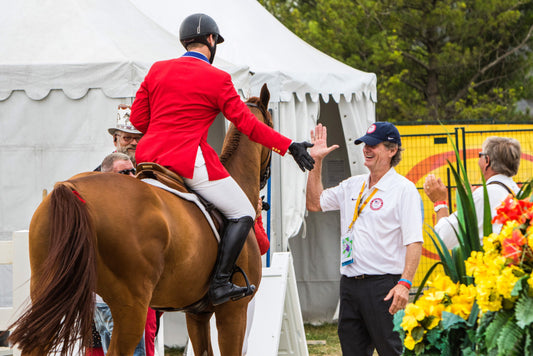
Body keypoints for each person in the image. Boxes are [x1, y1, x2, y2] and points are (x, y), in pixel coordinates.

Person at [130, 13, 314, 306]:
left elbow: (139, 118)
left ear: (184, 41)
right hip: (186, 158)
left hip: (148, 159)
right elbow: (248, 126)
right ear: (212, 41)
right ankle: (219, 283)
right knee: (242, 210)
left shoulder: (157, 69)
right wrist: (289, 145)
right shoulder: (218, 78)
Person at [306, 122, 423, 356]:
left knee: (391, 350)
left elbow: (414, 242)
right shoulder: (353, 184)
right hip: (350, 284)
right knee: (352, 351)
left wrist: (405, 283)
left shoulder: (403, 189)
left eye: (373, 145)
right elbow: (315, 202)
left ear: (392, 150)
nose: (366, 149)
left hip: (384, 285)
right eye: (364, 144)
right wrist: (316, 161)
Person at [423, 136, 521, 249]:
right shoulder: (520, 193)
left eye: (480, 155)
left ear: (487, 161)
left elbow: (445, 237)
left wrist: (439, 203)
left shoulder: (484, 195)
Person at [95, 105, 143, 171]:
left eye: (139, 138)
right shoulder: (100, 175)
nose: (134, 143)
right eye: (127, 138)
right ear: (115, 139)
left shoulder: (151, 172)